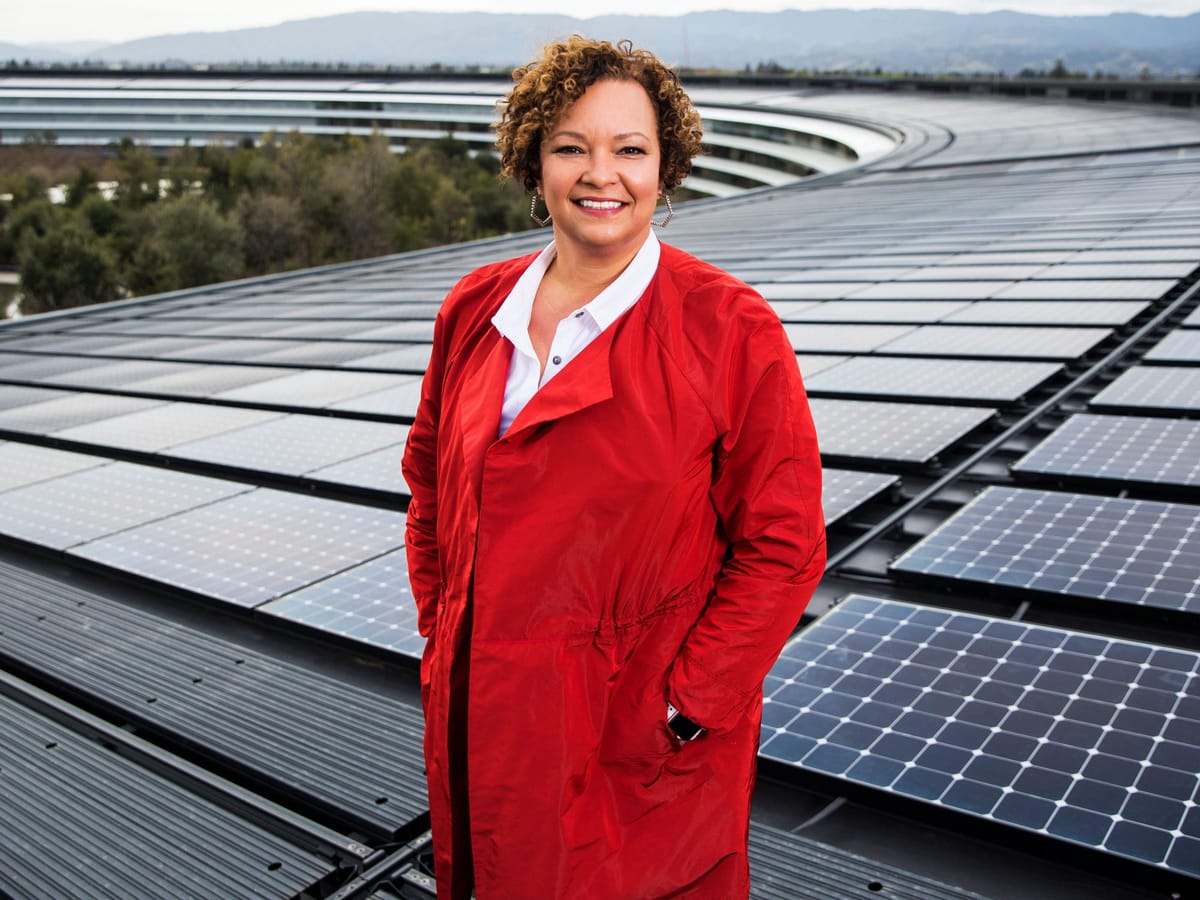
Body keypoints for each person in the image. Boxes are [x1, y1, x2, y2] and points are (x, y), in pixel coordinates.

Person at [401, 35, 825, 899]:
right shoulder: (476, 308)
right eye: (571, 147)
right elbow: (430, 485)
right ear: (533, 162)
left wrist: (684, 707)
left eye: (630, 149)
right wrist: (449, 631)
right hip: (488, 724)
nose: (603, 175)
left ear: (665, 168)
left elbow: (783, 547)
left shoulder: (729, 329)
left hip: (636, 747)